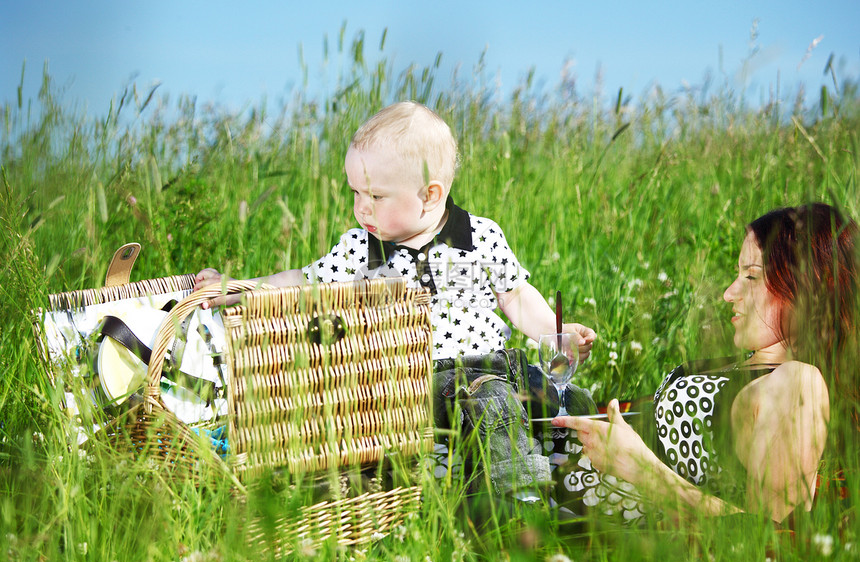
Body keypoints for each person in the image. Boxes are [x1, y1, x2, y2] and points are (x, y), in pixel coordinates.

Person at [195, 101, 597, 494]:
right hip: (426, 378)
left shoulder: (479, 237)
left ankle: (577, 485)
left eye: (375, 196)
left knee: (571, 401)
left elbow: (515, 297)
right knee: (493, 404)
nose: (360, 208)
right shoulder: (362, 250)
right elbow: (302, 281)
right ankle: (514, 507)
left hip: (501, 363)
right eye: (355, 193)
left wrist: (557, 334)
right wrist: (235, 288)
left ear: (430, 194)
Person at [550, 203, 858, 525]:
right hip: (541, 466)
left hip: (559, 513)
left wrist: (638, 467)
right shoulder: (745, 364)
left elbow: (773, 539)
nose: (728, 293)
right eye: (737, 274)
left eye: (751, 276)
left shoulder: (797, 383)